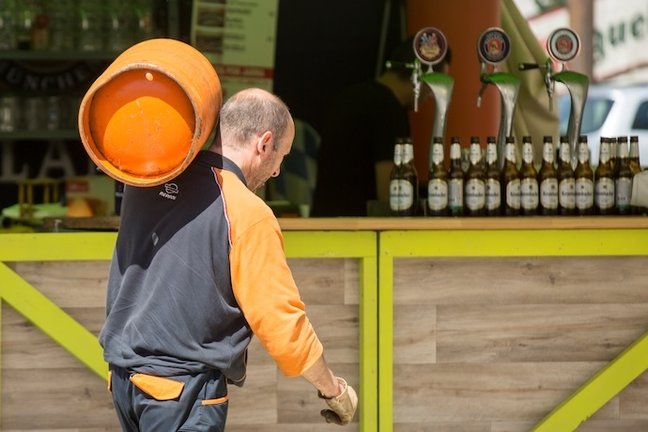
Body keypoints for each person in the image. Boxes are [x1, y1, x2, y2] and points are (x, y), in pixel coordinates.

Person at [99, 88, 357, 431]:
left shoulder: (149, 179)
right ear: (264, 143)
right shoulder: (247, 212)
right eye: (283, 155)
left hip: (125, 382)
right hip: (183, 394)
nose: (278, 171)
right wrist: (333, 390)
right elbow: (283, 326)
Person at [311, 37, 450, 217]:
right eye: (434, 86)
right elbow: (390, 194)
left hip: (322, 224)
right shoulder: (389, 111)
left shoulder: (350, 96)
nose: (431, 95)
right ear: (420, 78)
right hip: (359, 231)